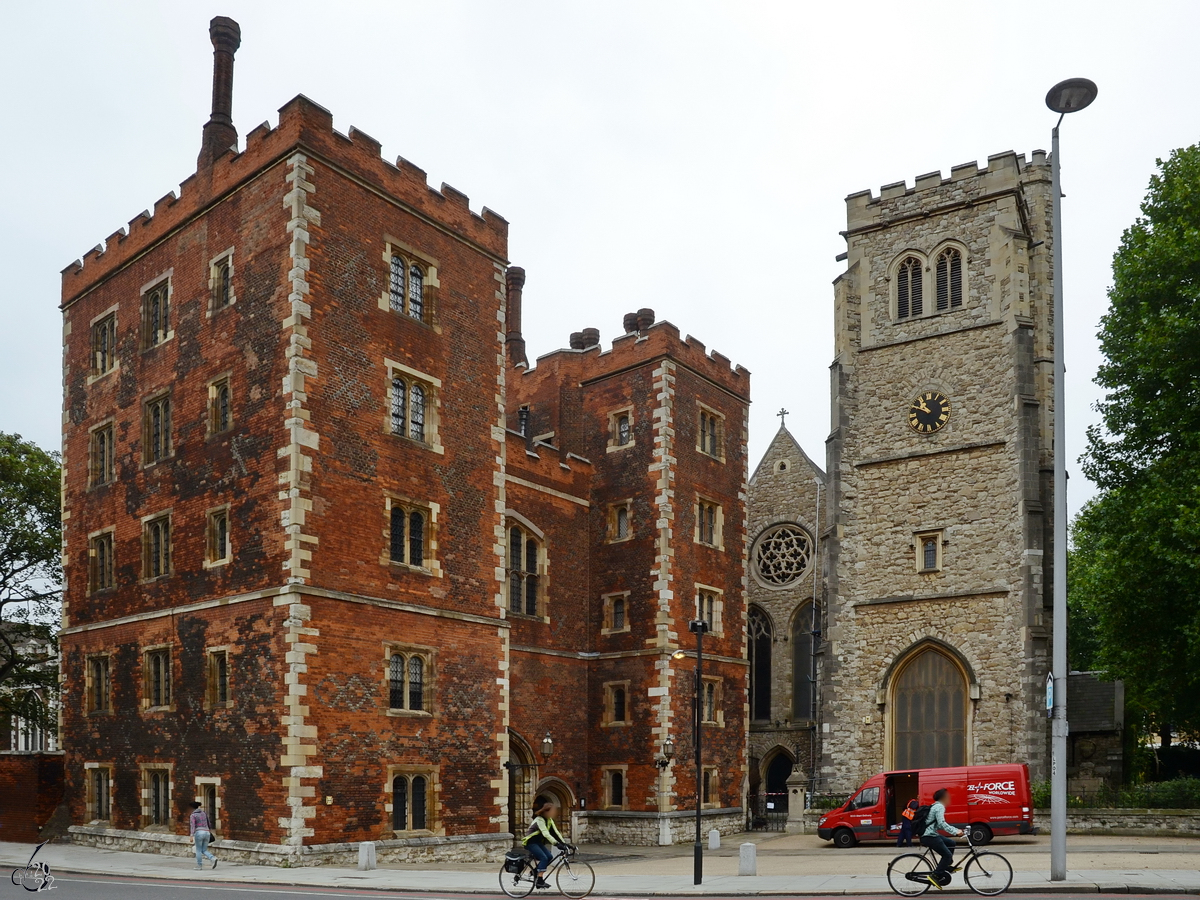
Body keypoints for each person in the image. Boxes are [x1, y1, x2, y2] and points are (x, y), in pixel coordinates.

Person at [920, 788, 964, 888]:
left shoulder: (935, 806)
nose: (949, 799)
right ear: (943, 798)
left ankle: (946, 866)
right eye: (948, 797)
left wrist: (956, 829)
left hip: (930, 834)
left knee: (951, 843)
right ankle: (935, 875)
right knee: (947, 855)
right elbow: (942, 823)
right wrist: (956, 832)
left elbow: (938, 825)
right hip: (929, 836)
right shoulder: (939, 807)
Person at [522, 796, 567, 889]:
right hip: (530, 842)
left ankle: (534, 872)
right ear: (546, 811)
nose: (554, 813)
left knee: (550, 856)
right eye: (552, 811)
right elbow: (546, 834)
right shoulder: (539, 820)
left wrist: (565, 844)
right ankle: (539, 880)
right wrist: (556, 844)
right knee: (544, 858)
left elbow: (555, 833)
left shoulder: (549, 820)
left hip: (538, 842)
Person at [189, 801, 218, 870]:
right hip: (207, 832)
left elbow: (192, 826)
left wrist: (191, 835)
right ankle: (212, 858)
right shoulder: (204, 813)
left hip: (199, 833)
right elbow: (209, 823)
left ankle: (199, 866)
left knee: (198, 850)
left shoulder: (193, 815)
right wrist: (208, 831)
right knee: (204, 850)